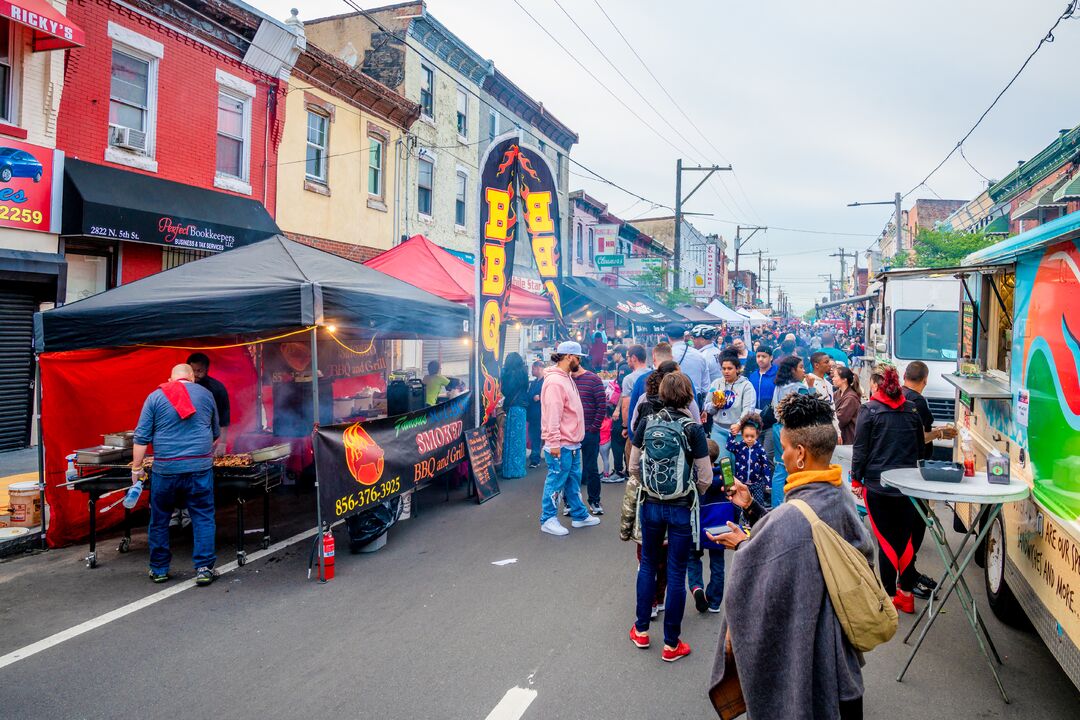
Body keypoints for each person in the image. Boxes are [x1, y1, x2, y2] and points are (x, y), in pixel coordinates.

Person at [709, 392, 873, 720]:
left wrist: (744, 547)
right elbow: (801, 544)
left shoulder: (793, 518)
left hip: (811, 666)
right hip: (841, 662)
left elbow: (768, 566)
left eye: (783, 448)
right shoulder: (838, 494)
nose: (779, 456)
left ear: (799, 454)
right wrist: (752, 507)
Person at [628, 372, 714, 662]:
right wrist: (691, 491)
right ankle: (671, 643)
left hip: (650, 504)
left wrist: (649, 486)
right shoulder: (693, 428)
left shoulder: (647, 422)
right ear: (689, 396)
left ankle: (640, 630)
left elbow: (633, 465)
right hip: (681, 507)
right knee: (677, 571)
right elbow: (705, 476)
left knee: (648, 564)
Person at [131, 364, 220, 586]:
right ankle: (204, 568)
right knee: (202, 516)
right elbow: (215, 433)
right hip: (199, 468)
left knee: (160, 519)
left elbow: (141, 438)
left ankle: (159, 569)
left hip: (166, 469)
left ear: (170, 378)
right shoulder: (206, 395)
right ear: (191, 378)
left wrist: (136, 469)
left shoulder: (155, 396)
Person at [851, 365, 925, 614]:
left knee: (885, 541)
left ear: (877, 385)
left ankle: (889, 597)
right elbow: (920, 448)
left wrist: (856, 480)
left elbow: (860, 449)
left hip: (877, 485)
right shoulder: (912, 409)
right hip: (907, 486)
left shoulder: (869, 410)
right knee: (904, 540)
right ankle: (906, 595)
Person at [539, 342, 601, 536]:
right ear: (568, 357)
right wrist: (554, 442)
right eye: (578, 357)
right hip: (562, 443)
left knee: (572, 480)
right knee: (556, 481)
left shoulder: (565, 378)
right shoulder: (556, 382)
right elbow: (553, 415)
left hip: (570, 442)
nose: (580, 361)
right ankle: (548, 518)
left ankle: (579, 515)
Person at [688, 439, 728, 614]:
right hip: (719, 526)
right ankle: (715, 601)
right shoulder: (725, 474)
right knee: (718, 563)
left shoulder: (695, 476)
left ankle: (697, 587)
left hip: (698, 525)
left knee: (693, 558)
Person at [769, 355, 810, 506]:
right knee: (797, 467)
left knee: (780, 468)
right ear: (793, 370)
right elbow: (809, 409)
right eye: (801, 367)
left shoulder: (779, 386)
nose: (803, 371)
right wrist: (810, 386)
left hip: (778, 429)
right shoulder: (800, 388)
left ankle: (777, 506)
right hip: (794, 431)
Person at [704, 353, 757, 460]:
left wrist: (739, 424)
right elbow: (706, 406)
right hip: (718, 430)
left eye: (729, 368)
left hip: (738, 431)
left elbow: (748, 409)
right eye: (723, 369)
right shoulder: (716, 384)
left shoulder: (746, 386)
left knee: (738, 464)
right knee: (722, 465)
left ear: (737, 369)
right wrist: (714, 405)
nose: (726, 372)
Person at [573, 357, 608, 516]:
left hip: (589, 432)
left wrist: (594, 428)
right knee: (570, 469)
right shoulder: (564, 380)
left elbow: (602, 406)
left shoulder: (593, 379)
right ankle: (570, 502)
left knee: (591, 467)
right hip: (570, 433)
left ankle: (594, 500)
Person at [903, 360, 957, 460]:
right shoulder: (918, 401)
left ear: (904, 376)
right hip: (915, 459)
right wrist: (939, 433)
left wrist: (936, 430)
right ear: (925, 380)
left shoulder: (900, 395)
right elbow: (919, 437)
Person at [726, 412, 772, 511]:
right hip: (741, 484)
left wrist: (768, 484)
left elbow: (765, 466)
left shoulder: (760, 449)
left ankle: (759, 523)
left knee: (759, 506)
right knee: (740, 506)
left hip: (757, 485)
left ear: (757, 435)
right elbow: (729, 446)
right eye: (747, 436)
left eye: (752, 436)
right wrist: (732, 434)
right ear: (742, 434)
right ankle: (742, 523)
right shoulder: (739, 446)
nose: (749, 439)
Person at [187, 353, 229, 454]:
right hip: (186, 438)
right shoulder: (181, 387)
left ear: (207, 370)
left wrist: (222, 443)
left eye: (199, 371)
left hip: (209, 439)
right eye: (193, 371)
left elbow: (224, 418)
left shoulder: (217, 388)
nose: (196, 374)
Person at [619, 344, 650, 475]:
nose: (626, 361)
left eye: (627, 358)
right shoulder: (653, 373)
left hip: (636, 429)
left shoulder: (629, 379)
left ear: (634, 358)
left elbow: (626, 406)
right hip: (652, 426)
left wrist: (626, 427)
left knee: (634, 469)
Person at [500, 353, 530, 480]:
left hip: (512, 407)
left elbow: (505, 391)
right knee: (519, 439)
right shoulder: (523, 372)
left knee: (510, 438)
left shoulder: (507, 374)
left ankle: (509, 470)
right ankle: (518, 469)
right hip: (522, 407)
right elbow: (526, 388)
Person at [746, 345, 778, 458]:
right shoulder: (753, 375)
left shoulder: (777, 374)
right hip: (755, 421)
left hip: (772, 421)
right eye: (758, 356)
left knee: (768, 456)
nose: (760, 359)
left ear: (771, 357)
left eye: (764, 356)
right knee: (755, 454)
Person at [667, 323, 710, 402]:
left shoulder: (667, 356)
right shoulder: (699, 355)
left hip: (672, 399)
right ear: (683, 337)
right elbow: (705, 386)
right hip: (695, 398)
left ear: (668, 337)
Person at [833, 365, 863, 445]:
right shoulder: (836, 394)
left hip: (849, 438)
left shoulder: (851, 398)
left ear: (844, 380)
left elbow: (841, 419)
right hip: (839, 435)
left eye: (835, 376)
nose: (833, 379)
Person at [526, 360, 545, 468]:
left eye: (533, 368)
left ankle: (536, 458)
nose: (532, 371)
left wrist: (540, 397)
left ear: (539, 368)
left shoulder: (546, 382)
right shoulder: (533, 382)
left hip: (542, 413)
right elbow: (529, 395)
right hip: (534, 414)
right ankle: (535, 457)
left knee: (541, 436)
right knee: (534, 436)